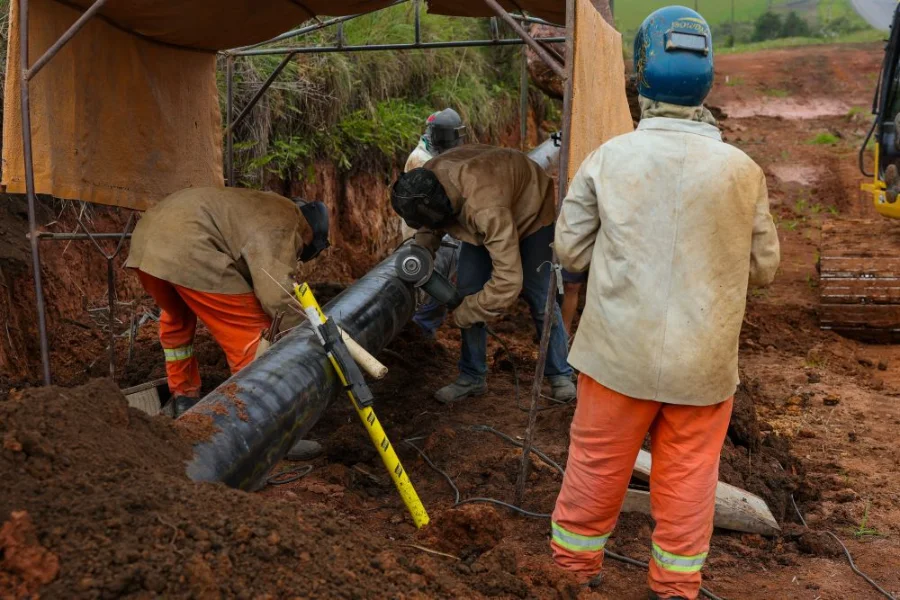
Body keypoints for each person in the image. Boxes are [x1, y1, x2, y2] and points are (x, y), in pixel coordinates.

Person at [549, 7, 780, 600]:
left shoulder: (609, 158)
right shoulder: (743, 171)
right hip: (703, 366)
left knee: (597, 468)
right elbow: (767, 269)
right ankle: (675, 588)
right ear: (706, 77)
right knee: (690, 478)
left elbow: (569, 248)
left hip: (615, 357)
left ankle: (569, 577)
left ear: (642, 73)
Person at [391, 145, 576, 404]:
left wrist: (470, 311)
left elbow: (509, 281)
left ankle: (560, 374)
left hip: (530, 211)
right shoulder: (427, 181)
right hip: (490, 194)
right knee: (468, 290)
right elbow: (430, 222)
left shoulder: (485, 212)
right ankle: (471, 376)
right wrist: (422, 251)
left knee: (541, 297)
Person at [126, 187, 329, 418]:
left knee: (178, 319)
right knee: (254, 336)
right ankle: (260, 419)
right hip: (191, 248)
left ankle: (184, 397)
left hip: (146, 247)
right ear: (311, 233)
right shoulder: (286, 220)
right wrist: (307, 333)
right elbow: (275, 294)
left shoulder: (255, 206)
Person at [402, 108, 467, 337]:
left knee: (442, 283)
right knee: (430, 285)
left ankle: (425, 329)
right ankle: (419, 333)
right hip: (425, 234)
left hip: (441, 233)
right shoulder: (421, 160)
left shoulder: (437, 154)